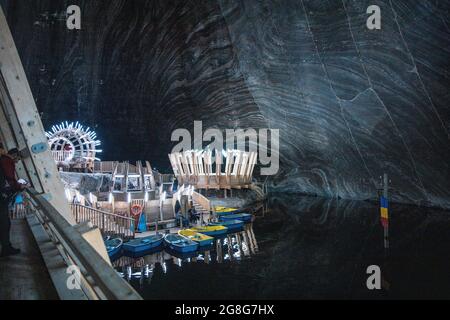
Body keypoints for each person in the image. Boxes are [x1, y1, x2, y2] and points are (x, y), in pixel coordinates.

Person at [0, 148, 25, 257]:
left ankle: (6, 247)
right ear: (14, 155)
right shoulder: (6, 161)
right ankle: (6, 248)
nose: (17, 161)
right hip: (1, 198)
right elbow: (10, 179)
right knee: (5, 223)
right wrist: (19, 186)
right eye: (18, 158)